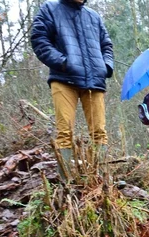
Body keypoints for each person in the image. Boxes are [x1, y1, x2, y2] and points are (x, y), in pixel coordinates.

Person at [31, 0, 114, 180]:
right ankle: (67, 184)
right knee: (64, 132)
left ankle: (101, 180)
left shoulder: (93, 16)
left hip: (95, 79)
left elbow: (106, 45)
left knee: (99, 132)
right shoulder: (50, 9)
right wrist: (63, 62)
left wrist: (105, 67)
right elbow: (39, 39)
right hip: (63, 78)